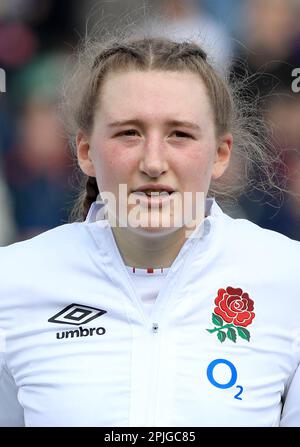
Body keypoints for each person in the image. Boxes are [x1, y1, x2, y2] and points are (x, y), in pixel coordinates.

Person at [0, 36, 299, 427]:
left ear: (221, 154)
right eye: (129, 133)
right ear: (86, 151)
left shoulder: (289, 278)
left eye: (180, 134)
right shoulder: (13, 281)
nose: (154, 161)